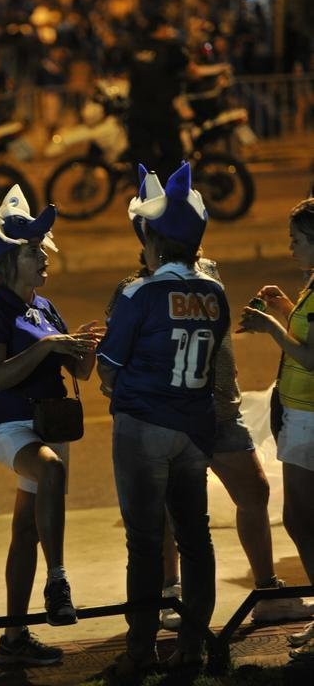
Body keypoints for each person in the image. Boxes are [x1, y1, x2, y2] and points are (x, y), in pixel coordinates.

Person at [109, 254, 314, 630]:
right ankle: (171, 591)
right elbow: (117, 354)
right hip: (171, 413)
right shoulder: (134, 289)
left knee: (254, 492)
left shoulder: (209, 272)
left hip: (220, 410)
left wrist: (225, 366)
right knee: (172, 506)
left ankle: (267, 593)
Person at [97, 162, 230, 679]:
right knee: (196, 539)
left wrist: (117, 382)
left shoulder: (139, 293)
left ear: (152, 240)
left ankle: (140, 648)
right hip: (195, 428)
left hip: (145, 425)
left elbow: (109, 366)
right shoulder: (214, 292)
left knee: (146, 542)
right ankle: (193, 646)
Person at [0, 185, 103, 668]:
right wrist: (46, 347)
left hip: (49, 424)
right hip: (9, 426)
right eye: (34, 252)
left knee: (25, 531)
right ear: (10, 260)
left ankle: (13, 639)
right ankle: (58, 580)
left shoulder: (45, 307)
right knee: (50, 470)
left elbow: (81, 373)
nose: (46, 258)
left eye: (44, 250)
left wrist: (85, 346)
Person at [239, 197, 314, 660]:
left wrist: (270, 326)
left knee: (300, 519)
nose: (291, 248)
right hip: (299, 415)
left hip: (309, 417)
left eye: (297, 240)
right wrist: (286, 307)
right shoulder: (311, 284)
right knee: (303, 518)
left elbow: (309, 356)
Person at [127, 14, 230, 185]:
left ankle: (146, 192)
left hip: (137, 112)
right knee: (173, 154)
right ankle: (167, 190)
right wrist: (218, 70)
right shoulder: (171, 48)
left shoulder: (136, 48)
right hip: (162, 111)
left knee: (142, 157)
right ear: (161, 28)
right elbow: (193, 72)